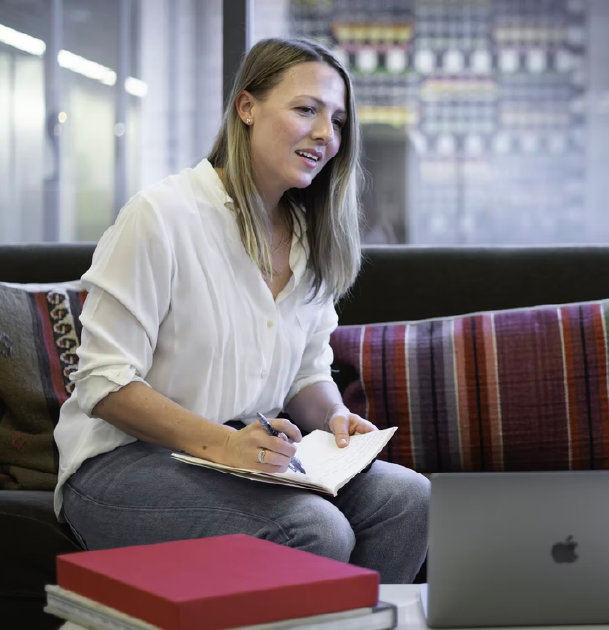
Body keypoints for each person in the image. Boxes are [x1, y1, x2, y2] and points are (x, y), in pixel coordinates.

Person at [53, 38, 429, 583]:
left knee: (409, 498)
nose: (327, 135)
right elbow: (104, 382)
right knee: (316, 529)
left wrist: (332, 418)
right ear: (246, 108)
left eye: (339, 120)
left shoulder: (308, 236)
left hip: (250, 460)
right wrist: (228, 445)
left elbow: (306, 372)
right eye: (306, 110)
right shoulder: (161, 216)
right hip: (124, 463)